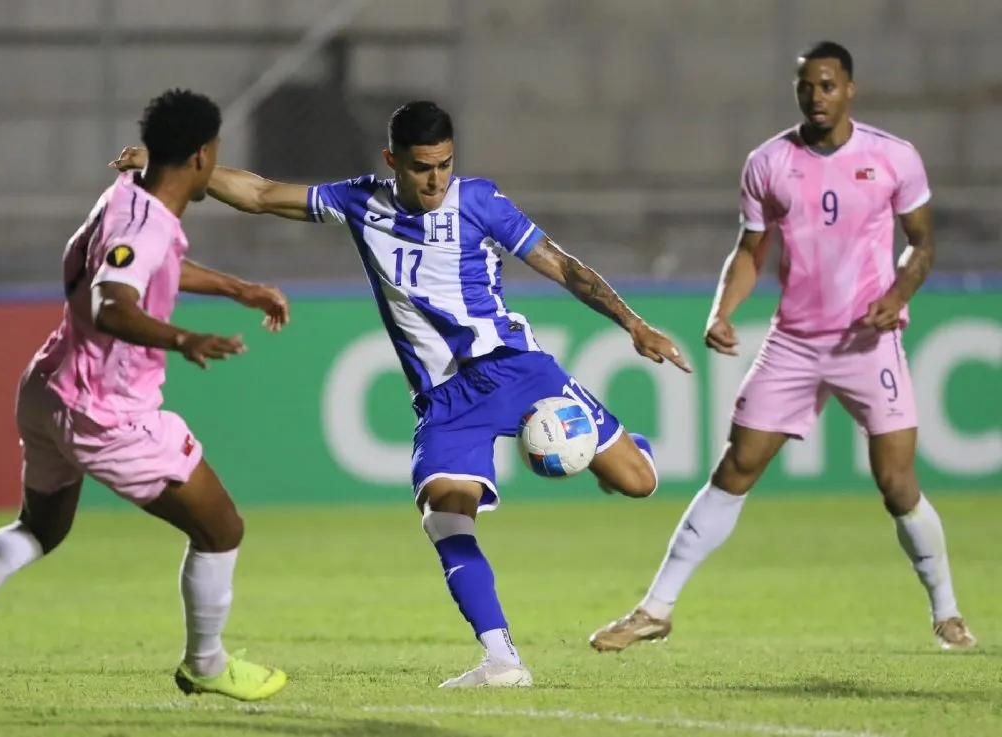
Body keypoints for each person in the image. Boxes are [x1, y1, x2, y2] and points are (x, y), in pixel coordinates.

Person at [112, 99, 692, 688]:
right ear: (393, 161)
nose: (435, 180)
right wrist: (170, 165)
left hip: (518, 368)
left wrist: (634, 324)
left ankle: (627, 449)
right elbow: (261, 194)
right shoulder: (361, 202)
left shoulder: (479, 201)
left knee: (639, 483)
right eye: (421, 167)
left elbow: (563, 266)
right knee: (446, 516)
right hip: (447, 400)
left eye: (444, 165)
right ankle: (502, 660)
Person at [589, 41, 976, 653]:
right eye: (807, 86)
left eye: (828, 85)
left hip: (867, 341)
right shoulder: (769, 162)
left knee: (897, 483)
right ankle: (655, 609)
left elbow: (922, 244)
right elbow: (751, 250)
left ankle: (947, 613)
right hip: (794, 341)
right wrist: (722, 311)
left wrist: (898, 294)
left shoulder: (893, 157)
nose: (817, 96)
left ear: (850, 89)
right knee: (735, 468)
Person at [0, 89, 292, 701]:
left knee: (39, 530)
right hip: (106, 412)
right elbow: (112, 302)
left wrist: (237, 288)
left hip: (49, 387)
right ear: (202, 156)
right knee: (221, 528)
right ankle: (205, 663)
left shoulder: (125, 197)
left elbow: (148, 266)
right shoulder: (146, 226)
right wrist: (183, 338)